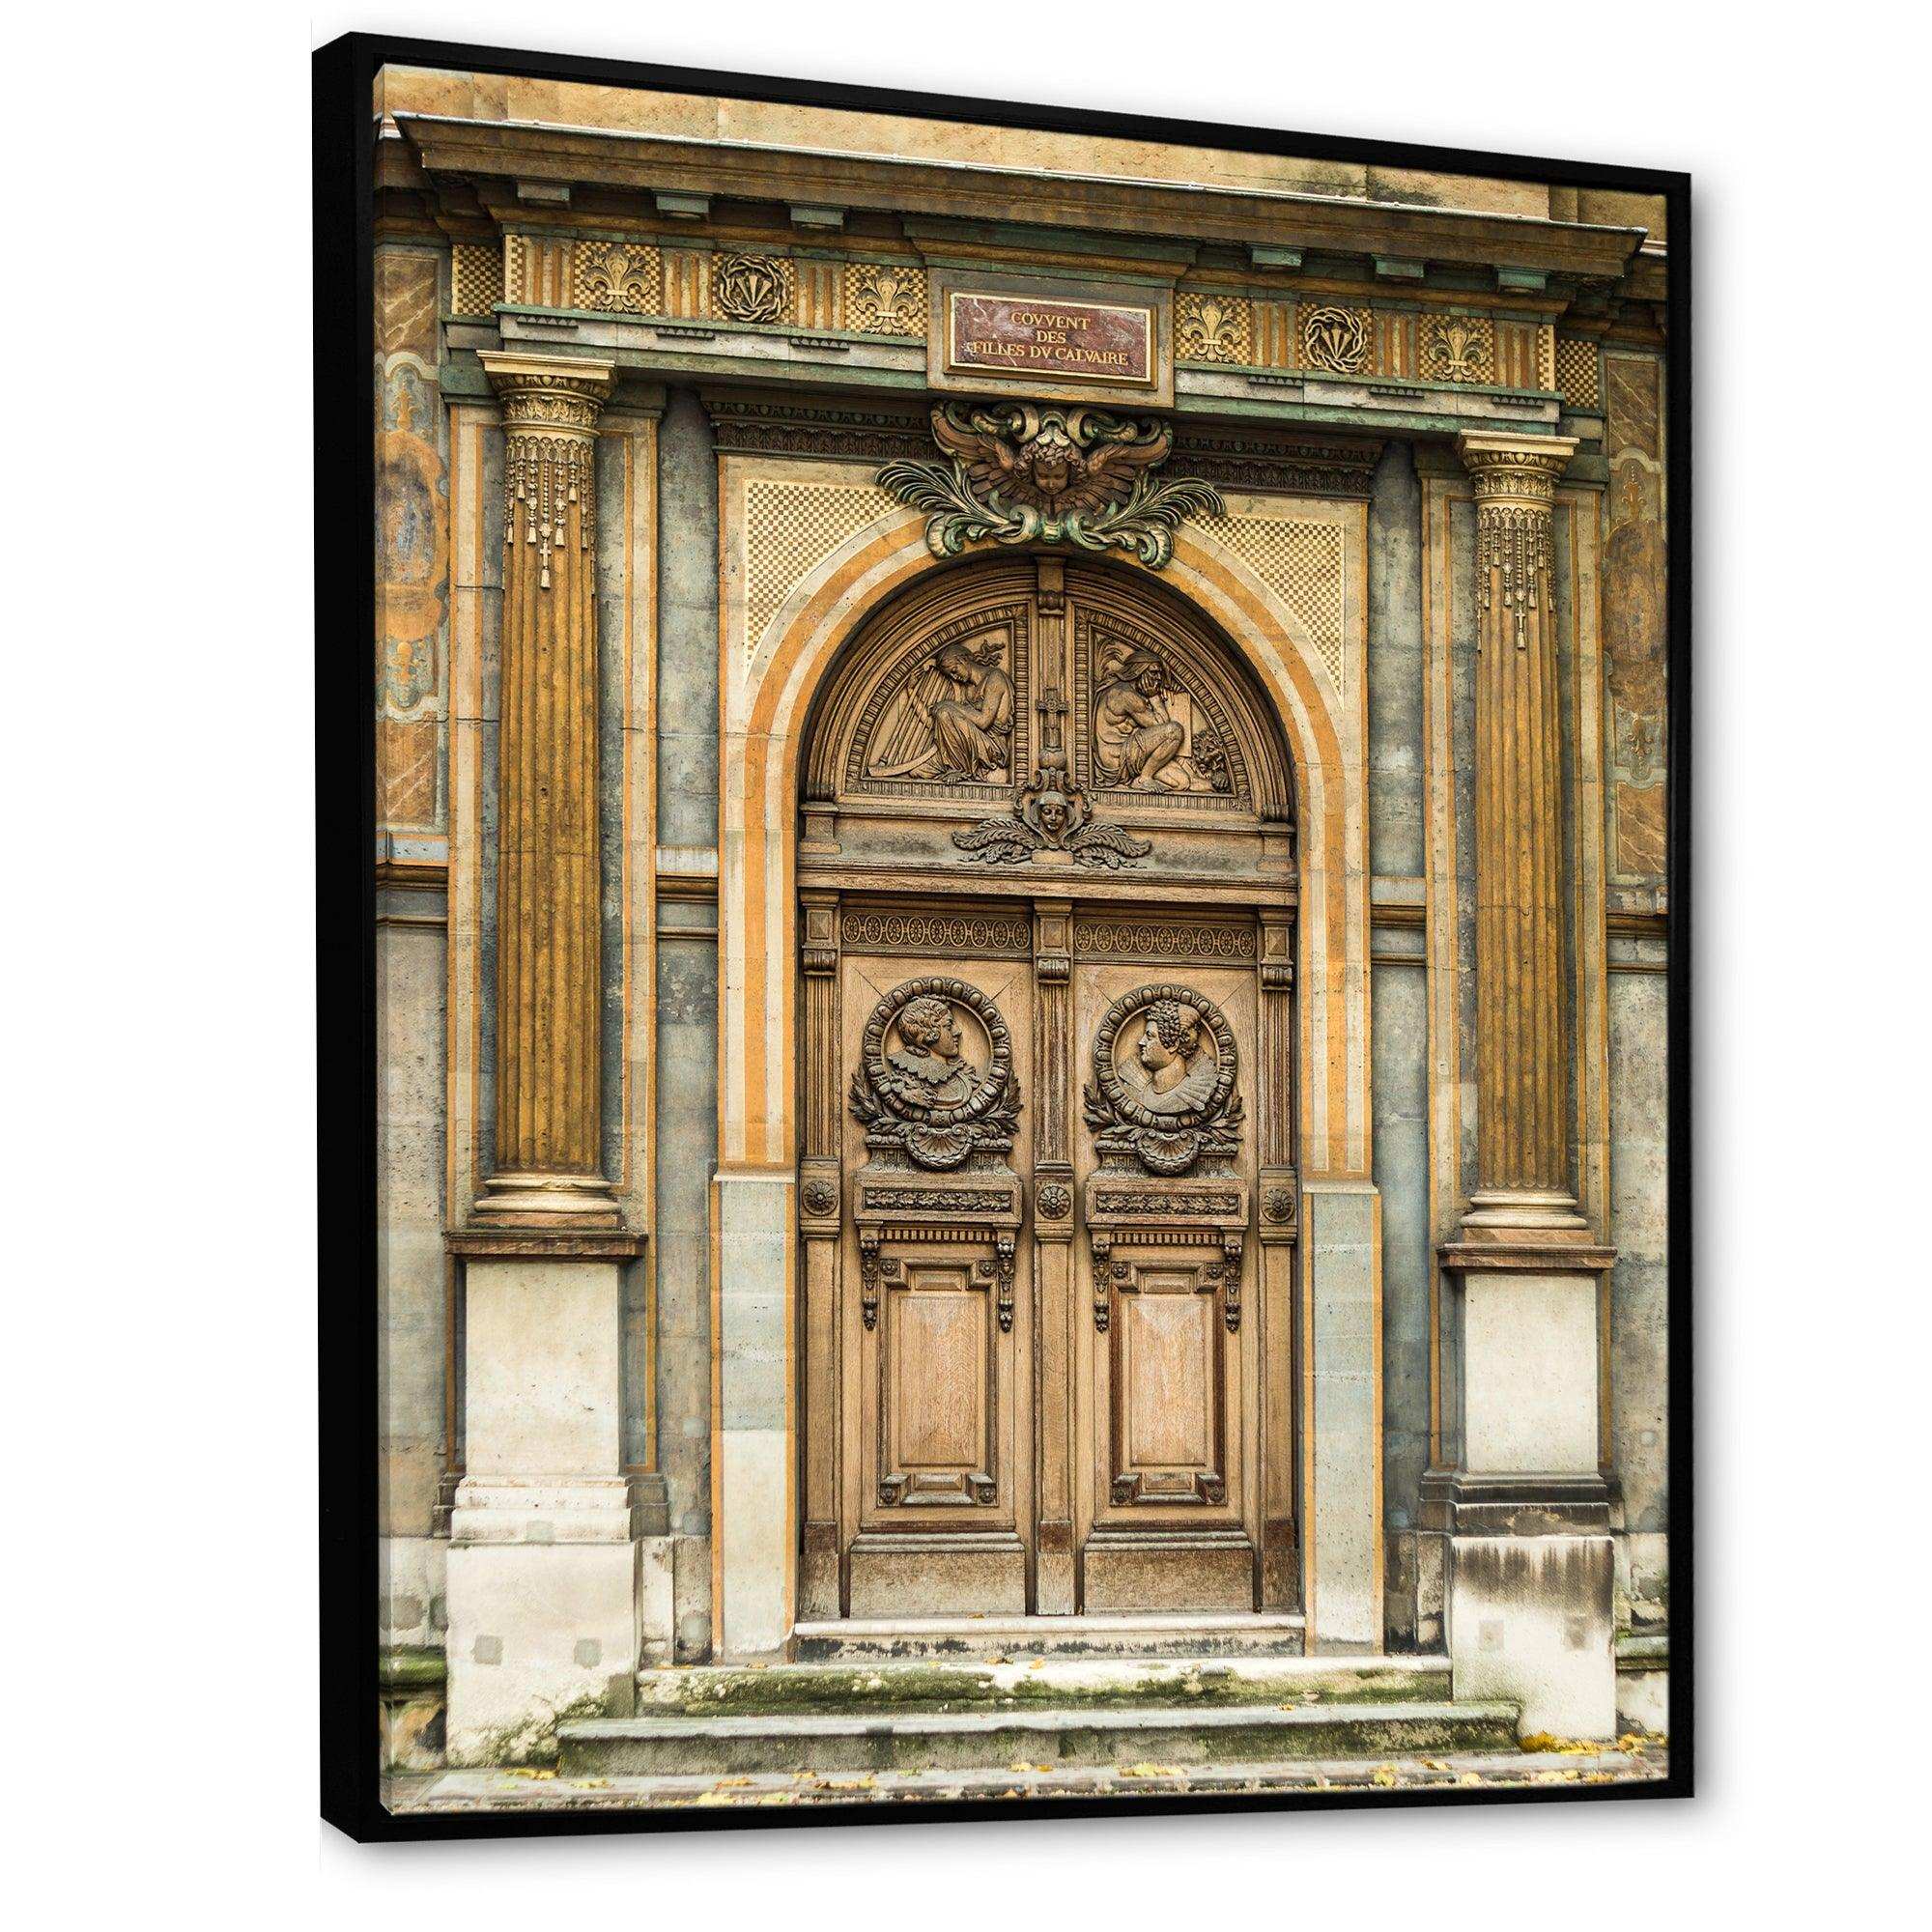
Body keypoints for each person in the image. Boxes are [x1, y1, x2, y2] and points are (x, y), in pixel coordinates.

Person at [1093, 648, 1186, 788]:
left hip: (1131, 753)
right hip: (1118, 758)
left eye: (1160, 674)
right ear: (1138, 671)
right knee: (1175, 731)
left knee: (1182, 783)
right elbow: (1163, 726)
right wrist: (1154, 697)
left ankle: (1141, 778)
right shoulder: (1125, 695)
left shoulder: (1126, 691)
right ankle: (1145, 778)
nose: (1158, 678)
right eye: (1153, 672)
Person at [929, 641, 1013, 780]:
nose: (954, 677)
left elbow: (984, 721)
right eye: (950, 675)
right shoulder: (969, 689)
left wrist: (951, 704)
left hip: (992, 746)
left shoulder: (994, 678)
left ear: (963, 660)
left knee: (944, 712)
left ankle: (962, 769)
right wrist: (910, 691)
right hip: (972, 743)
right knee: (921, 771)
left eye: (954, 671)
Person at [1125, 998, 1219, 1116]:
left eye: (1149, 1036)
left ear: (1173, 1045)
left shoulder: (1195, 1093)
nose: (1141, 1042)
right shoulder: (1136, 1089)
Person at [884, 995, 977, 1110]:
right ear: (928, 1032)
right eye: (948, 1026)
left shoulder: (961, 1075)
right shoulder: (906, 1082)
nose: (957, 1031)